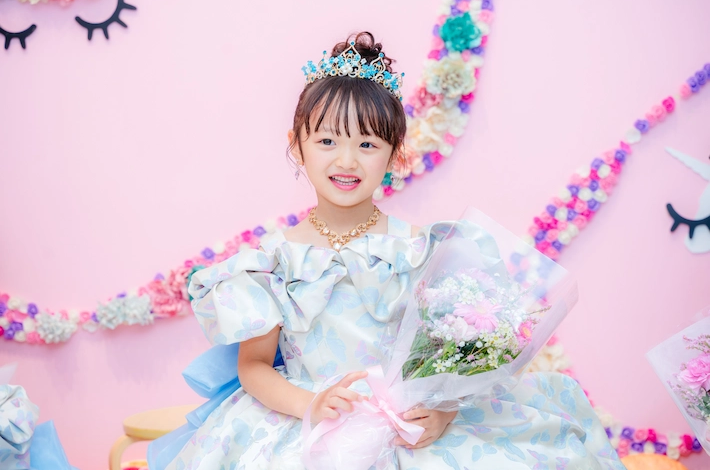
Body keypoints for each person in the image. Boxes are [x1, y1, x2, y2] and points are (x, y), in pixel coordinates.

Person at [160, 31, 624, 470]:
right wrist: (311, 405)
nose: (346, 160)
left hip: (405, 430)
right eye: (327, 141)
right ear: (297, 145)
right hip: (305, 423)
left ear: (394, 153)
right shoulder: (271, 262)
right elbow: (254, 366)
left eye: (367, 143)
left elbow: (455, 361)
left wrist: (444, 413)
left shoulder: (422, 250)